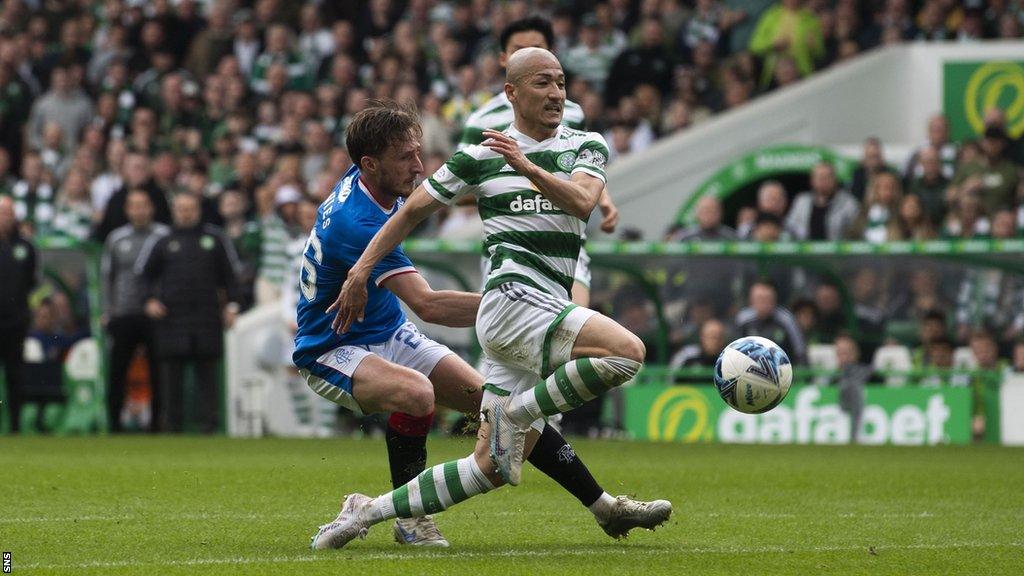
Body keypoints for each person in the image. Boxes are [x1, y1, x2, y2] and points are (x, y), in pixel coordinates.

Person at [315, 50, 670, 550]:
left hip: (543, 303)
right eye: (543, 83)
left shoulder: (586, 144)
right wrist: (363, 266)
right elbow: (413, 211)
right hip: (511, 302)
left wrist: (525, 165)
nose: (556, 93)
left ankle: (366, 510)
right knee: (626, 352)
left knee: (492, 467)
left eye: (561, 83)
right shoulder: (479, 155)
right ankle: (523, 414)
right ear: (512, 93)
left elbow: (583, 202)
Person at [457, 16, 618, 307]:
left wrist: (604, 201)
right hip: (508, 245)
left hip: (565, 240)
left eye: (539, 48)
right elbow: (461, 187)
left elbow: (584, 167)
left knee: (574, 325)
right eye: (520, 50)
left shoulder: (571, 112)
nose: (531, 55)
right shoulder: (481, 120)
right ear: (504, 59)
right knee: (508, 341)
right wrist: (519, 189)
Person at [136, 194, 241, 433]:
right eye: (181, 208)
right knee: (171, 377)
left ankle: (209, 426)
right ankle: (171, 427)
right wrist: (148, 300)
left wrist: (232, 306)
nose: (186, 213)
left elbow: (230, 276)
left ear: (198, 210)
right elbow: (143, 275)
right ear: (174, 210)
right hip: (171, 318)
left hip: (207, 317)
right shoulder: (162, 240)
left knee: (207, 375)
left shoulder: (214, 238)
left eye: (190, 208)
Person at [101, 190, 169, 432]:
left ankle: (158, 425)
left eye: (143, 205)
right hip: (123, 313)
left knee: (158, 371)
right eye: (134, 206)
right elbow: (107, 277)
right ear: (127, 210)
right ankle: (114, 424)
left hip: (155, 314)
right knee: (117, 371)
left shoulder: (164, 236)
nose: (139, 211)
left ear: (151, 208)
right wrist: (107, 310)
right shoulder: (116, 239)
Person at [0, 196, 36, 432]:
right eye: (2, 212)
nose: (6, 217)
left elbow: (32, 283)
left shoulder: (25, 247)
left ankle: (15, 427)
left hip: (16, 322)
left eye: (9, 212)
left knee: (15, 375)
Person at [735, 281, 807, 365]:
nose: (764, 303)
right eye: (760, 298)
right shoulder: (743, 319)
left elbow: (799, 351)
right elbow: (733, 349)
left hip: (781, 370)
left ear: (774, 300)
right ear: (751, 300)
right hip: (747, 370)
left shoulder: (786, 320)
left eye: (767, 299)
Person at [785, 161, 860, 241]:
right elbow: (790, 228)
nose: (823, 181)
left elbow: (856, 232)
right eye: (819, 177)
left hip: (837, 252)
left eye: (827, 177)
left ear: (835, 179)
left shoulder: (849, 203)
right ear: (812, 180)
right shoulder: (801, 202)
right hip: (805, 251)